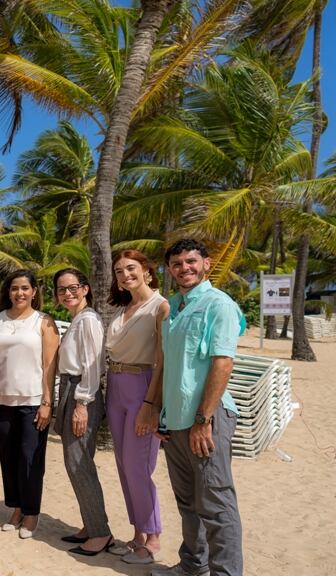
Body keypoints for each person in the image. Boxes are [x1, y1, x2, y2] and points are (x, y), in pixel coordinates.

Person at [152, 239, 244, 576]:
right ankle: (193, 566)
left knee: (217, 505)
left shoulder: (217, 304)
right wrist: (162, 415)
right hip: (176, 421)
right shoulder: (173, 306)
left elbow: (222, 363)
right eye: (177, 264)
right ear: (169, 270)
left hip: (207, 418)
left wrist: (203, 419)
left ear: (206, 263)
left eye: (191, 261)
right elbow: (174, 367)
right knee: (189, 504)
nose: (184, 268)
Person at [105, 249, 169, 563]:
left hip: (143, 385)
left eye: (131, 268)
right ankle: (138, 533)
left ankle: (153, 537)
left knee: (139, 467)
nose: (125, 275)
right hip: (115, 386)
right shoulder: (126, 308)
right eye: (119, 271)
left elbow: (163, 360)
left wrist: (151, 404)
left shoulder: (160, 306)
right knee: (122, 464)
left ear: (146, 270)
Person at [0, 269, 58, 539]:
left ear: (34, 292)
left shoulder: (43, 321)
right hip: (1, 399)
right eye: (15, 288)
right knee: (9, 458)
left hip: (32, 402)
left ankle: (31, 513)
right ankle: (15, 508)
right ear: (8, 292)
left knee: (30, 459)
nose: (19, 293)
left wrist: (47, 402)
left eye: (25, 288)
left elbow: (50, 366)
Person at [53, 268, 113, 556]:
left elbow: (93, 366)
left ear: (86, 289)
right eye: (62, 289)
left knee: (79, 463)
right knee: (75, 461)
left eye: (73, 287)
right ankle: (92, 524)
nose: (68, 293)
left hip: (81, 393)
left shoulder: (89, 320)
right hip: (71, 389)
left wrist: (82, 404)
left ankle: (101, 533)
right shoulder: (77, 319)